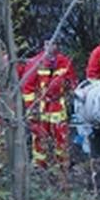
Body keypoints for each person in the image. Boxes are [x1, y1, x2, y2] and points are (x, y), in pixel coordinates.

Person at [22, 38, 77, 169]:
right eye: (47, 43)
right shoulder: (35, 62)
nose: (50, 47)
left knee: (61, 136)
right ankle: (39, 166)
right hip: (40, 107)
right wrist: (31, 108)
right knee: (40, 136)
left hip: (59, 105)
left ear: (57, 45)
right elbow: (27, 87)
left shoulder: (64, 61)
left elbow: (72, 81)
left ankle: (62, 166)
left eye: (53, 43)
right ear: (44, 45)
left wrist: (69, 92)